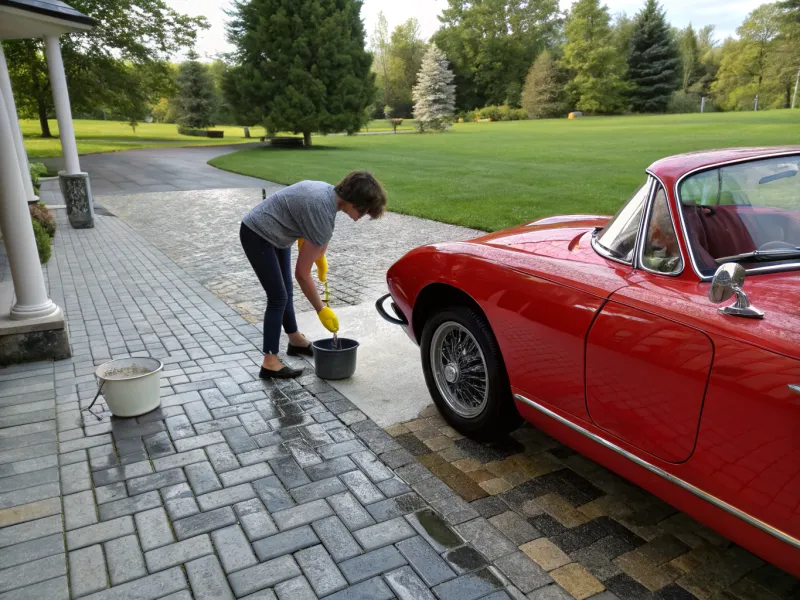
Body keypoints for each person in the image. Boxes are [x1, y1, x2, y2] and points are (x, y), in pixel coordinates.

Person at [240, 171, 387, 379]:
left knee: (286, 292)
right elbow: (302, 273)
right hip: (257, 233)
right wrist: (321, 310)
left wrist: (320, 257)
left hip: (278, 234)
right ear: (355, 201)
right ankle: (269, 361)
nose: (361, 217)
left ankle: (295, 340)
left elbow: (318, 234)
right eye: (364, 212)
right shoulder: (322, 210)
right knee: (278, 297)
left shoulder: (328, 196)